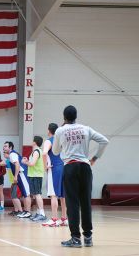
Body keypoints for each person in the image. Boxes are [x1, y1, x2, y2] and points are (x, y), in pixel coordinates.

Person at [53, 105, 109, 248]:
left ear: (64, 117)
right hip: (85, 167)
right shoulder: (86, 128)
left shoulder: (60, 130)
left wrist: (62, 139)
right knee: (86, 202)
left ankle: (76, 238)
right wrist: (95, 158)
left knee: (72, 203)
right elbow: (104, 141)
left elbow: (55, 151)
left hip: (70, 167)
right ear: (76, 116)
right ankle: (88, 237)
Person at [42, 123, 68, 227]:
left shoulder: (49, 141)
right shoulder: (62, 140)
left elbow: (44, 153)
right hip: (64, 167)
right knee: (63, 195)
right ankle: (64, 219)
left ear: (49, 131)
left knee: (53, 195)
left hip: (54, 168)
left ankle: (53, 219)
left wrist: (45, 167)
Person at [3, 141, 31, 218]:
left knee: (27, 194)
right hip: (20, 175)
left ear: (10, 147)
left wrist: (15, 176)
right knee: (25, 194)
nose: (4, 147)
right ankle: (25, 211)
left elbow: (17, 165)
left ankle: (28, 212)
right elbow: (21, 161)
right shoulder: (13, 155)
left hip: (22, 174)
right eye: (4, 146)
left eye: (5, 146)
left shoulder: (12, 154)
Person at [22, 136, 46, 222]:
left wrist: (25, 162)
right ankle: (39, 213)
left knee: (38, 194)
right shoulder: (35, 152)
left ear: (35, 142)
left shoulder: (36, 151)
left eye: (33, 140)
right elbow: (32, 162)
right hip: (33, 175)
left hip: (36, 175)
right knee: (35, 195)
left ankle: (42, 214)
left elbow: (32, 164)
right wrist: (27, 160)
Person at [3, 151, 23, 216]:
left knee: (15, 197)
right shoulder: (9, 161)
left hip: (15, 181)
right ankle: (16, 210)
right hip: (13, 182)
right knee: (13, 197)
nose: (4, 155)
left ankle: (20, 211)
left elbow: (2, 163)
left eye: (5, 154)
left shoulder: (9, 161)